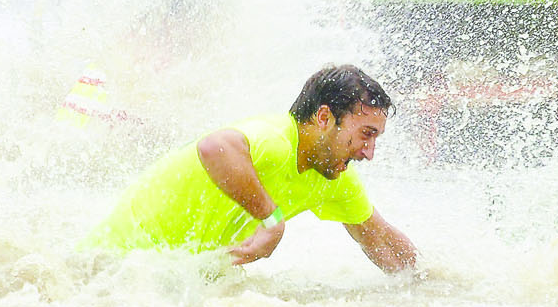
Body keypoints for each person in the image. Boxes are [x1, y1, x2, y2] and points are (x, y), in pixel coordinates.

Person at [88, 64, 419, 271]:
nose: (370, 152)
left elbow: (383, 242)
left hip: (167, 282)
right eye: (366, 134)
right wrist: (272, 220)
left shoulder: (335, 178)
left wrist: (434, 286)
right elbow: (214, 146)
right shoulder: (274, 139)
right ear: (323, 118)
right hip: (111, 267)